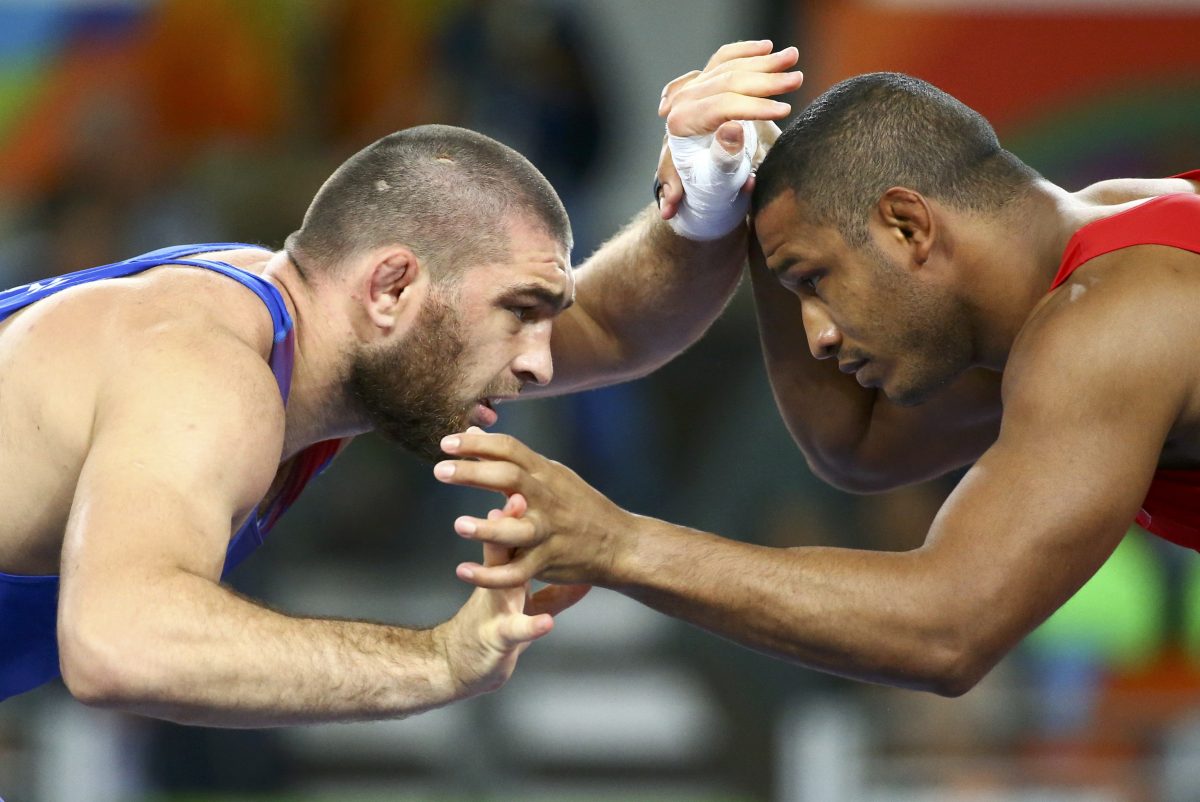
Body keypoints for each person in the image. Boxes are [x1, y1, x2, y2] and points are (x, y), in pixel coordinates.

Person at [0, 75, 808, 722]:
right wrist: (441, 660)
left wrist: (707, 198)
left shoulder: (309, 321)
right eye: (519, 311)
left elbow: (614, 328)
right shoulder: (205, 368)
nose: (538, 365)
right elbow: (119, 641)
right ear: (391, 287)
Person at [433, 62, 1200, 696]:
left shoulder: (1117, 314)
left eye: (815, 280)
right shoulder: (1075, 275)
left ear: (908, 225)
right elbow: (859, 446)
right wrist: (744, 184)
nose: (818, 335)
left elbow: (948, 631)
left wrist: (618, 543)